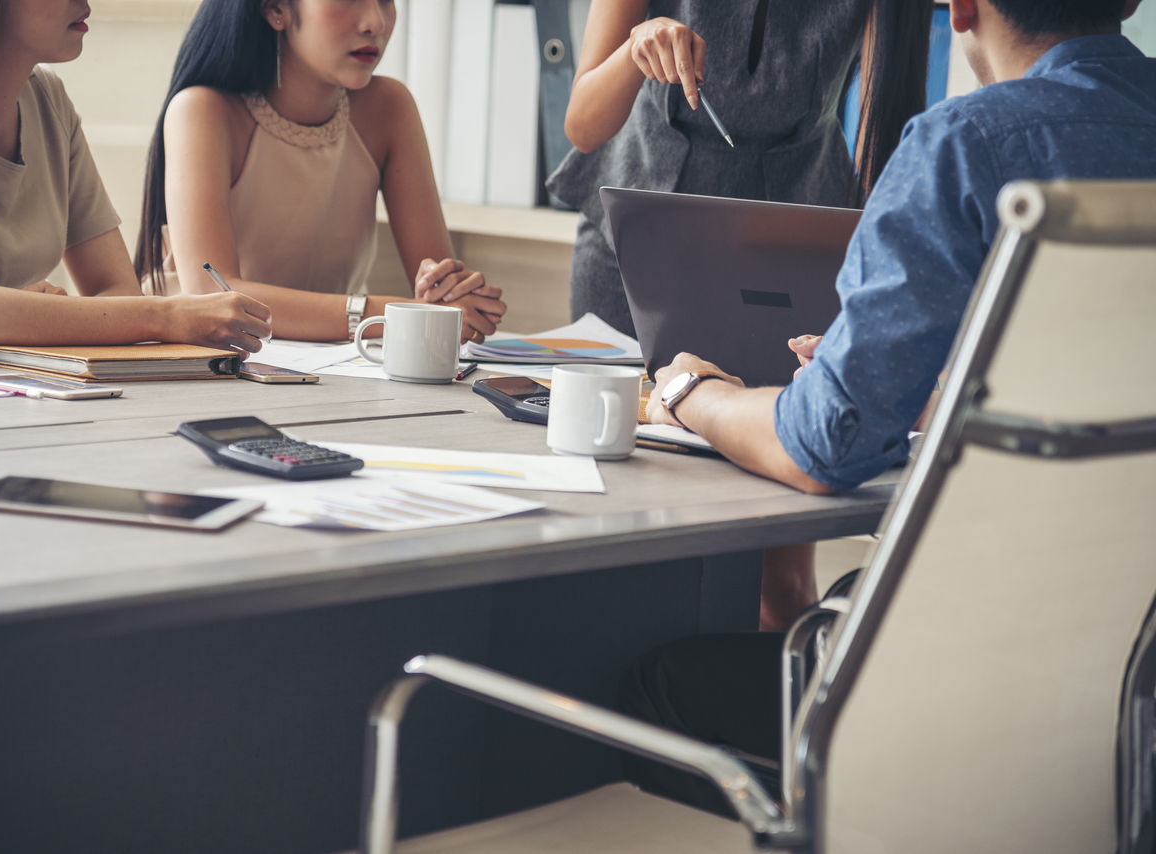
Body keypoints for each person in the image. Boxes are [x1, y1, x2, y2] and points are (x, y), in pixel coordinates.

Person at [628, 0, 1156, 816]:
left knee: (656, 683)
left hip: (971, 702)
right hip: (1130, 702)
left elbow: (821, 448)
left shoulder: (966, 146)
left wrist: (692, 394)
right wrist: (948, 389)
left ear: (962, 7)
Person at [0, 0, 271, 354]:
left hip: (0, 391)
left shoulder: (47, 99)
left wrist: (29, 314)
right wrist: (166, 315)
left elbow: (118, 290)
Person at [548, 0, 933, 339]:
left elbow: (884, 142)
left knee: (762, 416)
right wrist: (635, 48)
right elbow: (583, 127)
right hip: (636, 242)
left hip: (791, 256)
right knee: (606, 413)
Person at [135, 0, 506, 344]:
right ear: (276, 8)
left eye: (387, 0)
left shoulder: (389, 107)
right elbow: (214, 296)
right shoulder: (203, 110)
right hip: (192, 361)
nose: (376, 21)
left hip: (324, 364)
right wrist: (391, 315)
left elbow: (441, 297)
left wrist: (448, 293)